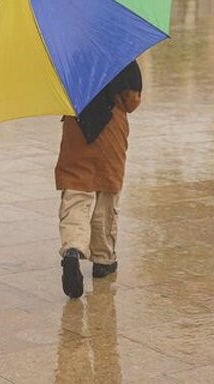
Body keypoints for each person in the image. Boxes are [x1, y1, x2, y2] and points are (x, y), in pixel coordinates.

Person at [54, 60, 142, 298]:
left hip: (77, 128)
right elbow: (131, 101)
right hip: (110, 133)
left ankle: (73, 248)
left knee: (76, 193)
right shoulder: (121, 55)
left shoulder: (67, 57)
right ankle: (103, 259)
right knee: (106, 194)